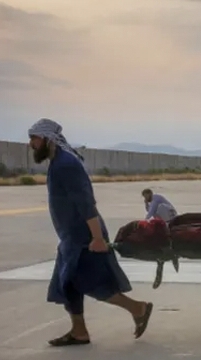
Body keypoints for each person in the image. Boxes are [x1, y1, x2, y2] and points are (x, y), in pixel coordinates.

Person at [28, 118, 154, 346]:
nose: (31, 144)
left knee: (92, 283)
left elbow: (86, 203)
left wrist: (96, 237)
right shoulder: (58, 162)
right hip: (71, 236)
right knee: (68, 284)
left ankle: (138, 308)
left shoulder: (66, 164)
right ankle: (79, 331)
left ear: (47, 139)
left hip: (84, 236)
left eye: (34, 138)